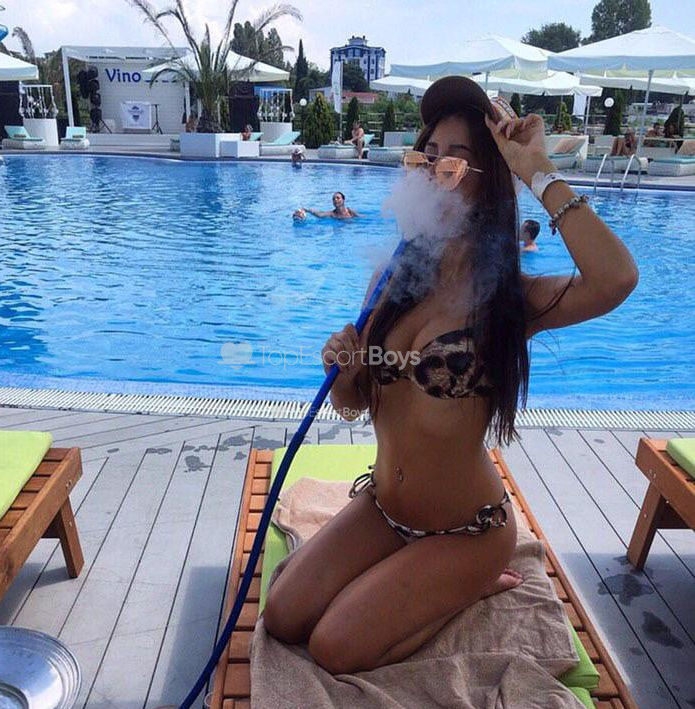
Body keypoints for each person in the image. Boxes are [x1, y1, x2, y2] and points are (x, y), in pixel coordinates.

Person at [263, 75, 638, 675]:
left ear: (488, 183)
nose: (433, 173)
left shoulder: (510, 302)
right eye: (426, 158)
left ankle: (471, 584)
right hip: (385, 508)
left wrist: (535, 170)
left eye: (454, 163)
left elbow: (616, 278)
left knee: (334, 648)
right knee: (283, 615)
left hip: (466, 529)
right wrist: (344, 370)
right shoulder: (391, 280)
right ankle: (417, 582)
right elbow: (354, 404)